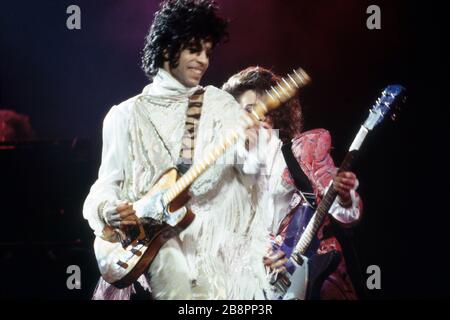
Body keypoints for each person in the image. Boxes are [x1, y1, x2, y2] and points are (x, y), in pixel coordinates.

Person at [83, 0, 271, 300]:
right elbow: (105, 185)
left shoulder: (218, 104)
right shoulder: (124, 115)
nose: (204, 60)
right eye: (194, 49)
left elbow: (252, 175)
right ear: (168, 47)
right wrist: (108, 210)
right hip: (157, 247)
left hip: (214, 250)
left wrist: (252, 148)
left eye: (208, 52)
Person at [222, 66, 363, 299]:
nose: (251, 119)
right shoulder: (234, 177)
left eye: (256, 109)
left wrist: (344, 197)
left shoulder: (302, 151)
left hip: (319, 274)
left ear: (274, 112)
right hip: (276, 287)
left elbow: (346, 213)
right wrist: (261, 258)